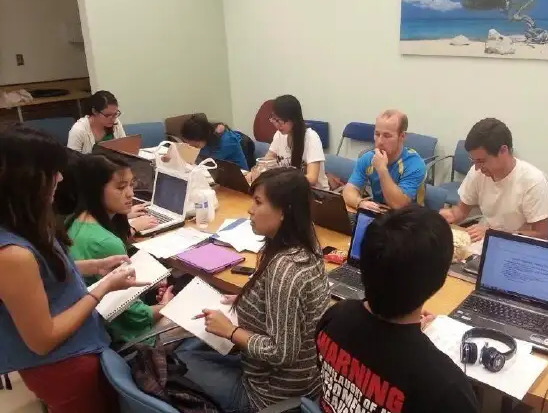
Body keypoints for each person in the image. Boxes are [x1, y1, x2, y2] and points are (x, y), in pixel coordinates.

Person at [0, 126, 147, 413]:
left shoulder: (26, 220)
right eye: (52, 171)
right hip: (63, 366)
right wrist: (102, 289)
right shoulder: (12, 254)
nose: (60, 178)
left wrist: (93, 266)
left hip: (82, 347)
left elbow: (39, 275)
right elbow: (43, 340)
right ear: (27, 179)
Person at [180, 168, 330, 412]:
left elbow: (282, 353)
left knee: (178, 360)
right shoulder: (305, 244)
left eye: (258, 202)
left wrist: (230, 331)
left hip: (268, 396)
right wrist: (250, 298)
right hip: (284, 378)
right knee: (187, 349)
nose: (250, 210)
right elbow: (291, 309)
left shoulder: (286, 269)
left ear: (284, 212)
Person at [316, 206, 479, 412]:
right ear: (439, 281)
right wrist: (412, 341)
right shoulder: (447, 390)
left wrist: (410, 337)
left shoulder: (335, 317)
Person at [65, 154, 172, 345]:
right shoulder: (106, 242)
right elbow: (135, 317)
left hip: (95, 323)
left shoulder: (75, 220)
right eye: (121, 187)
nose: (130, 193)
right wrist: (166, 305)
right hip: (123, 336)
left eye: (131, 184)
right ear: (95, 190)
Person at [440, 118, 548, 242]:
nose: (477, 167)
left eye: (481, 161)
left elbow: (541, 235)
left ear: (503, 151)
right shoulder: (477, 172)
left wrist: (493, 234)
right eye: (473, 161)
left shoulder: (533, 181)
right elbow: (461, 211)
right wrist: (450, 215)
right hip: (484, 237)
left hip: (515, 246)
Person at [343, 110, 426, 211]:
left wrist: (382, 169)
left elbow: (398, 205)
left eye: (387, 136)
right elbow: (349, 190)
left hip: (409, 216)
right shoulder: (368, 158)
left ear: (402, 136)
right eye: (377, 134)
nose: (380, 141)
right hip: (379, 212)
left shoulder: (415, 164)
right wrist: (359, 202)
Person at [262, 94, 329, 190]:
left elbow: (312, 179)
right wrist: (255, 172)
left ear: (293, 119)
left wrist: (280, 180)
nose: (277, 125)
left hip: (313, 193)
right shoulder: (279, 135)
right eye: (274, 120)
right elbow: (266, 161)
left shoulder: (311, 137)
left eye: (279, 121)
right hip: (288, 190)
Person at [181, 115, 249, 170]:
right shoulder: (205, 140)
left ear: (204, 137)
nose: (193, 148)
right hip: (219, 173)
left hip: (241, 175)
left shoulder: (227, 142)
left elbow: (210, 162)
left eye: (196, 146)